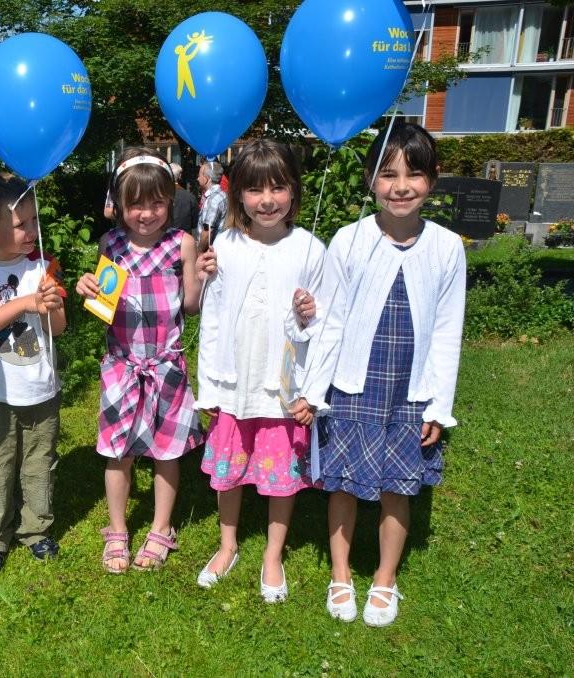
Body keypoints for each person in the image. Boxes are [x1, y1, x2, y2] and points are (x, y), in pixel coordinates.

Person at [295, 123, 465, 627]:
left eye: (414, 174)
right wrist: (314, 390)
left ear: (432, 179)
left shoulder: (446, 247)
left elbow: (447, 331)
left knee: (399, 485)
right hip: (352, 384)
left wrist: (438, 405)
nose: (401, 187)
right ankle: (341, 573)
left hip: (410, 389)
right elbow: (330, 322)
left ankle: (386, 578)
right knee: (344, 483)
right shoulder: (350, 240)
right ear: (371, 178)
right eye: (388, 174)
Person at [194, 139, 324, 598]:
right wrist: (209, 386)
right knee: (229, 468)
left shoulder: (310, 249)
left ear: (295, 191)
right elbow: (211, 318)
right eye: (254, 189)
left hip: (282, 388)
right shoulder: (224, 246)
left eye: (278, 187)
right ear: (238, 196)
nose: (267, 200)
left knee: (281, 474)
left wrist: (310, 315)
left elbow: (324, 325)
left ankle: (273, 553)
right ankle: (227, 544)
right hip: (234, 383)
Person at [75, 148, 203, 573]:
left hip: (166, 366)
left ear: (170, 201)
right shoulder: (111, 244)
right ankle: (117, 529)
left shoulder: (181, 244)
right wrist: (89, 289)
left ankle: (161, 527)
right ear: (118, 205)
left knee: (167, 451)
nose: (146, 214)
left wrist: (202, 278)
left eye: (156, 203)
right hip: (122, 366)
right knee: (119, 450)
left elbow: (190, 307)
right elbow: (103, 309)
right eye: (135, 204)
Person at [0, 172, 67, 580]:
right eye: (21, 224)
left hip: (40, 390)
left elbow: (59, 328)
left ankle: (36, 528)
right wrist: (24, 303)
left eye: (34, 221)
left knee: (39, 465)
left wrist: (52, 305)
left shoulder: (44, 264)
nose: (32, 231)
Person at [197, 160, 227, 249]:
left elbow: (207, 232)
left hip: (210, 250)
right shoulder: (221, 195)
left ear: (207, 178)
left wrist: (199, 252)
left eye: (199, 175)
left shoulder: (213, 199)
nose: (197, 178)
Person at [170, 163, 198, 234]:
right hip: (184, 236)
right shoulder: (189, 197)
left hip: (164, 236)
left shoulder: (159, 194)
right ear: (180, 176)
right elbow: (195, 223)